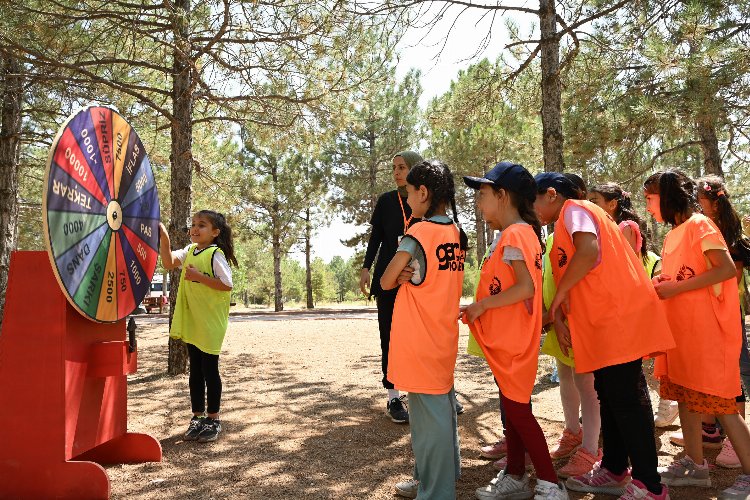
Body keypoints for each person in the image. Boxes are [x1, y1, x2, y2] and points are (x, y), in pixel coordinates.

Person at [534, 172, 675, 500]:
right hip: (601, 323)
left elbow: (587, 251)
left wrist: (555, 306)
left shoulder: (575, 209)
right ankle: (614, 468)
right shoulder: (567, 220)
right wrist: (562, 314)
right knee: (609, 393)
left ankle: (649, 486)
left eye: (534, 199)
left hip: (618, 318)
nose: (532, 207)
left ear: (551, 194)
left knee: (626, 396)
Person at [462, 161, 568, 500]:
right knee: (516, 411)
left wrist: (481, 307)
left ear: (502, 194)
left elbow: (525, 288)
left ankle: (551, 484)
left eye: (482, 194)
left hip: (514, 342)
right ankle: (516, 475)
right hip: (509, 341)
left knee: (520, 414)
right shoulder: (517, 233)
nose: (478, 203)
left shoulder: (515, 233)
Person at [644, 171, 750, 499]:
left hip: (707, 334)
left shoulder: (700, 225)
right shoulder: (675, 234)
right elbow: (681, 275)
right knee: (687, 396)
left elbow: (723, 269)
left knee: (722, 404)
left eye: (651, 199)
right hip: (683, 333)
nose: (648, 206)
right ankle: (695, 464)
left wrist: (676, 286)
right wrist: (664, 282)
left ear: (668, 196)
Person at [381, 160, 467, 500]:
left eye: (409, 192)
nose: (406, 198)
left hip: (419, 338)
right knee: (437, 413)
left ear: (423, 192)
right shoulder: (455, 232)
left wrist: (400, 275)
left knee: (429, 422)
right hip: (442, 336)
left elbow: (387, 280)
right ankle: (429, 477)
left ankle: (437, 491)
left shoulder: (419, 233)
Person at [668, 175, 750, 468]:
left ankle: (733, 442)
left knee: (729, 382)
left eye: (700, 200)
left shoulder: (716, 231)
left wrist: (687, 288)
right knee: (697, 386)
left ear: (713, 201)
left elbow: (730, 273)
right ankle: (709, 431)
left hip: (723, 315)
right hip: (700, 317)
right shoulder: (689, 229)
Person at [588, 182, 675, 427]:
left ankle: (646, 422)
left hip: (625, 306)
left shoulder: (625, 227)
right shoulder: (611, 227)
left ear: (612, 204)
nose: (591, 206)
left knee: (632, 374)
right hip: (617, 305)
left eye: (595, 201)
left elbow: (621, 268)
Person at [539, 174, 603, 480]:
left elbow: (584, 269)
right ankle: (573, 432)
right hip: (560, 320)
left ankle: (592, 447)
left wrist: (563, 311)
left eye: (535, 198)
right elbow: (552, 279)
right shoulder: (553, 237)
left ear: (553, 195)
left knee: (587, 384)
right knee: (565, 374)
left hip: (582, 320)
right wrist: (554, 316)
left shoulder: (577, 221)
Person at [158, 210, 237, 443]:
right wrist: (164, 238)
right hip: (193, 319)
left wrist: (198, 277)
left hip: (211, 322)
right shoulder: (190, 250)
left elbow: (227, 284)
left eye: (201, 225)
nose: (195, 228)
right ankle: (197, 417)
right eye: (193, 224)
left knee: (209, 369)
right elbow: (168, 262)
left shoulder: (215, 254)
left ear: (215, 232)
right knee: (195, 370)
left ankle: (213, 419)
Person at [361, 151, 423, 424]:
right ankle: (393, 397)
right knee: (389, 335)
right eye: (394, 167)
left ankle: (434, 393)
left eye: (402, 167)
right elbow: (375, 238)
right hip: (387, 278)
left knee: (421, 337)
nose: (397, 172)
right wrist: (365, 268)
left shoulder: (425, 200)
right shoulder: (387, 201)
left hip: (420, 279)